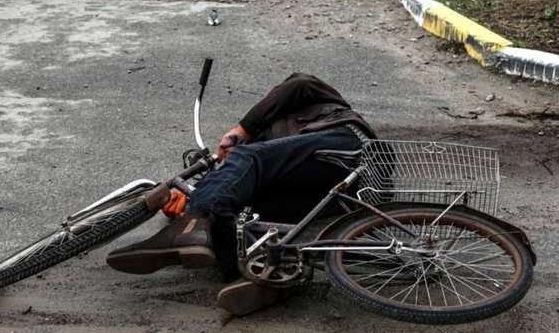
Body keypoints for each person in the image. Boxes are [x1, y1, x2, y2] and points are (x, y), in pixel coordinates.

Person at [106, 73, 376, 317]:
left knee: (248, 160)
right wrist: (190, 198)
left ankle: (194, 224)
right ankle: (262, 273)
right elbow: (235, 183)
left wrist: (242, 129)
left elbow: (300, 84)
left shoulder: (307, 97)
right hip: (326, 192)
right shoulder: (266, 148)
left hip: (345, 147)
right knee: (245, 216)